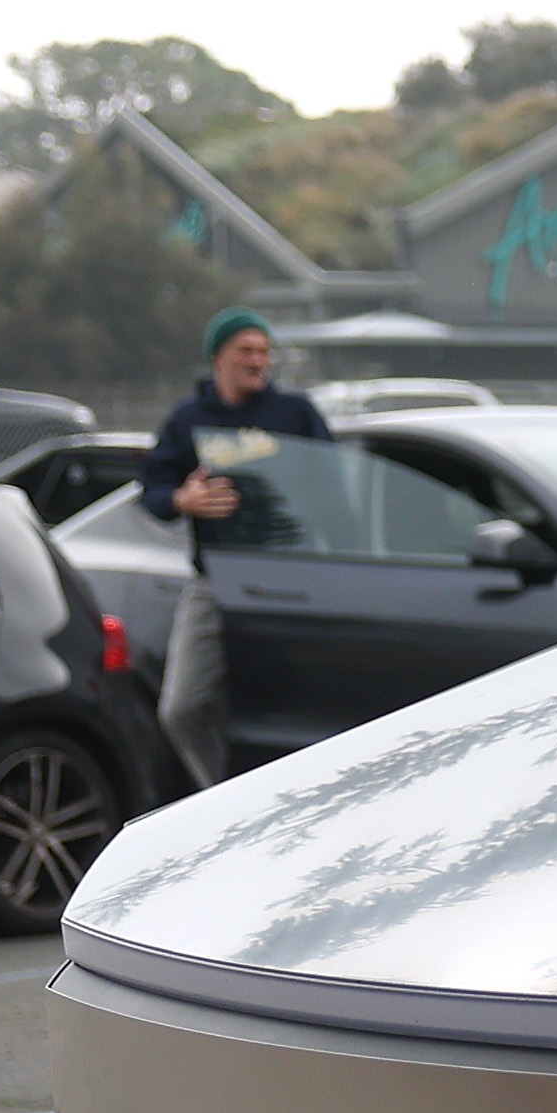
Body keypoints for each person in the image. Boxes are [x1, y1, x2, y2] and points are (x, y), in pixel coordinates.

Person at [132, 310, 329, 784]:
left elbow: (335, 483)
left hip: (291, 582)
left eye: (264, 351)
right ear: (218, 357)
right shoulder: (189, 420)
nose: (258, 360)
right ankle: (221, 797)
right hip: (216, 584)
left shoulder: (294, 413)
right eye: (246, 350)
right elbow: (152, 492)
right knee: (181, 707)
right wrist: (184, 498)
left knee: (287, 712)